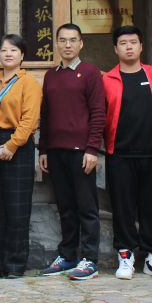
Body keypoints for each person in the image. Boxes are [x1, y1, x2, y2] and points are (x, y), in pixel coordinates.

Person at [103, 26, 152, 280]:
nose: (129, 47)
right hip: (119, 154)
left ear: (141, 46)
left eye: (133, 42)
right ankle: (125, 255)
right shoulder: (107, 80)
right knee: (122, 208)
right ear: (115, 49)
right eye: (123, 43)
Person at [38, 24, 105, 280]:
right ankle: (67, 256)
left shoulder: (90, 72)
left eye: (73, 40)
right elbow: (45, 115)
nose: (67, 45)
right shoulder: (50, 75)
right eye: (63, 40)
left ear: (81, 44)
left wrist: (92, 148)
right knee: (65, 207)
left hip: (82, 152)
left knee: (86, 206)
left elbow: (98, 112)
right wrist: (43, 148)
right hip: (56, 152)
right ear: (56, 44)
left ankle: (89, 259)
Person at [0, 34, 42, 278]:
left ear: (22, 55)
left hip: (19, 147)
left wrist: (11, 146)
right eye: (4, 50)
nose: (8, 54)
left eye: (13, 50)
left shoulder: (29, 83)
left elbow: (29, 119)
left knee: (17, 207)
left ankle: (14, 265)